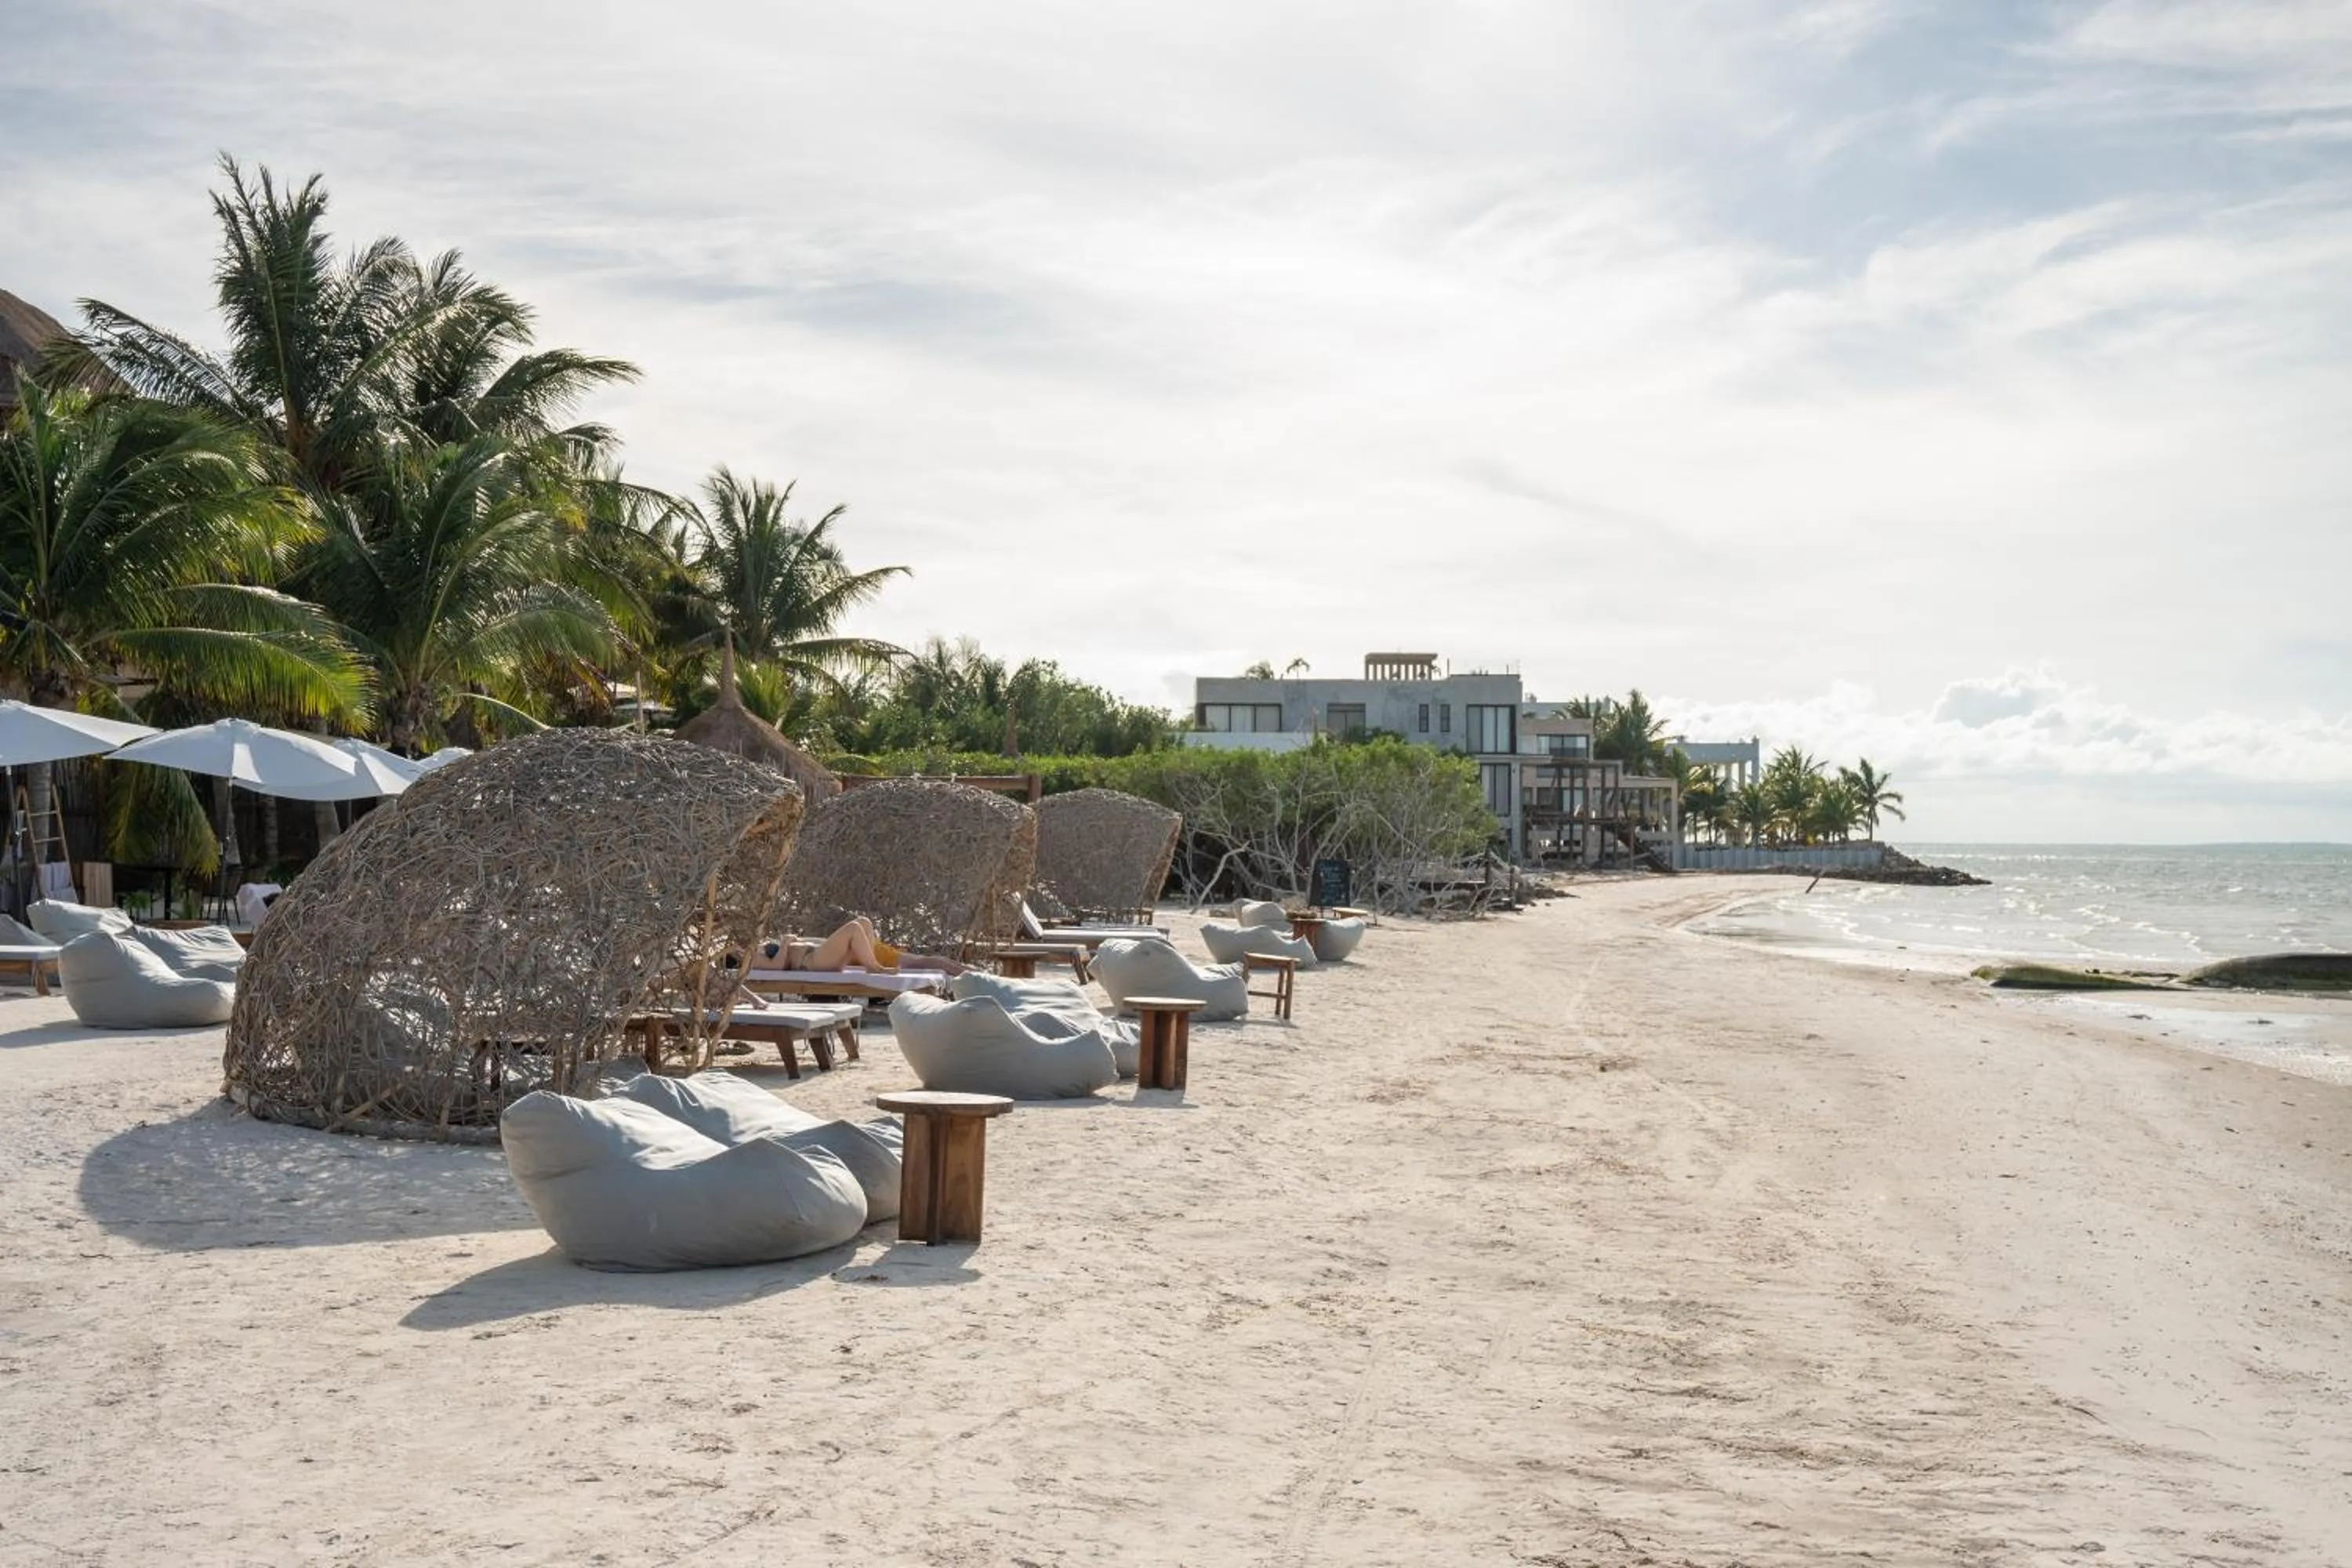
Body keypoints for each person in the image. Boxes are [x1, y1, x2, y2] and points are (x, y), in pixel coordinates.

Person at [764, 916, 967, 975]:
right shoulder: (752, 955)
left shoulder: (756, 945)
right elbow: (776, 966)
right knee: (935, 962)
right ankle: (873, 966)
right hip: (809, 961)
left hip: (823, 953)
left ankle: (975, 974)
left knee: (863, 922)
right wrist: (785, 944)